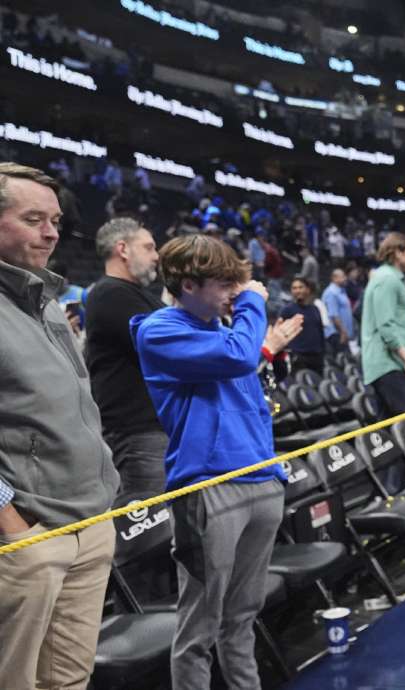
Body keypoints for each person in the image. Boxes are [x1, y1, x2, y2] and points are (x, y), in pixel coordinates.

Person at [132, 234, 290, 690]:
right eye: (224, 283)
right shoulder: (158, 330)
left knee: (242, 619)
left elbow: (246, 371)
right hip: (209, 487)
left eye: (236, 283)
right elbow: (240, 355)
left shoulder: (225, 332)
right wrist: (252, 305)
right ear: (186, 284)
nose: (233, 292)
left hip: (261, 477)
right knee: (199, 627)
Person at [0, 162, 120, 689]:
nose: (51, 233)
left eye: (54, 220)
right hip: (29, 539)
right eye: (33, 219)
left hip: (89, 524)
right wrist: (14, 529)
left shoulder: (45, 299)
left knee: (70, 681)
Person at [85, 217, 166, 494]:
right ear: (123, 249)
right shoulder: (110, 294)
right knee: (149, 528)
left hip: (154, 429)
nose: (156, 256)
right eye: (149, 248)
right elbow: (167, 348)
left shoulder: (139, 295)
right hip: (137, 433)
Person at [362, 232, 405, 417]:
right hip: (387, 363)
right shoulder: (388, 279)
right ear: (398, 253)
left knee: (392, 433)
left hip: (386, 363)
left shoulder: (385, 278)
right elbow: (386, 326)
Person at [280, 277, 326, 374]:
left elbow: (320, 332)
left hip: (316, 357)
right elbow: (280, 333)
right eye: (294, 288)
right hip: (298, 357)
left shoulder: (315, 309)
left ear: (307, 289)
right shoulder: (287, 310)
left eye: (300, 287)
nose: (297, 290)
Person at [322, 268, 354, 354]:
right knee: (341, 361)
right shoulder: (331, 293)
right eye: (342, 277)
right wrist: (343, 332)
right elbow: (333, 315)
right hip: (337, 334)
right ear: (334, 278)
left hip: (342, 333)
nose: (345, 278)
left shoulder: (341, 291)